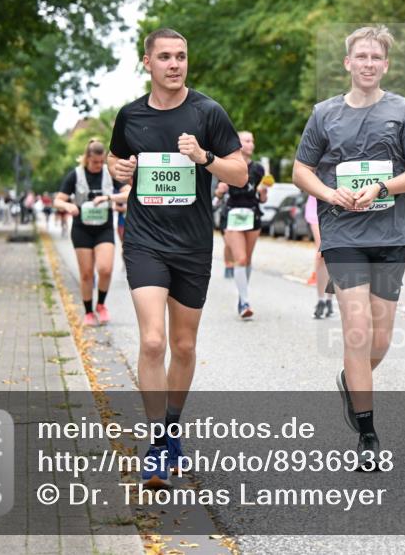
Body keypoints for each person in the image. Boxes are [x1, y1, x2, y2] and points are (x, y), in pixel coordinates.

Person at [107, 28, 246, 487]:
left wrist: (204, 156)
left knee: (183, 346)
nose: (174, 64)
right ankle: (155, 445)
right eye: (164, 56)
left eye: (181, 56)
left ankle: (171, 429)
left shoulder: (207, 112)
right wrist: (118, 168)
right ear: (147, 62)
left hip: (192, 245)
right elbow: (115, 159)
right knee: (152, 341)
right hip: (145, 240)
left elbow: (240, 173)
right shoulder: (130, 116)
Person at [293, 25, 405, 465]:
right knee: (356, 329)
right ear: (348, 63)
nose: (369, 64)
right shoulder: (325, 114)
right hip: (343, 234)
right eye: (362, 57)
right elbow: (301, 170)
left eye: (376, 58)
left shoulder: (404, 111)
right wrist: (328, 194)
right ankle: (368, 436)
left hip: (390, 234)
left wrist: (382, 187)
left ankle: (350, 382)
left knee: (381, 337)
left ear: (385, 65)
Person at [53, 139, 129, 327]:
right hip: (81, 229)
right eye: (95, 162)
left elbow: (129, 192)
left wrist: (109, 197)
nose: (98, 165)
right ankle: (88, 312)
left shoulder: (108, 174)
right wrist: (68, 205)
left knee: (105, 269)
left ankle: (101, 305)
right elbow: (57, 201)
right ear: (87, 158)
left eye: (101, 161)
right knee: (86, 273)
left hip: (103, 228)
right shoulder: (75, 175)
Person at [214, 130, 267, 319]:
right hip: (233, 215)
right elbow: (217, 196)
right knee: (241, 259)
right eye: (246, 140)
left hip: (253, 215)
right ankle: (244, 302)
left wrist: (263, 192)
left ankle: (242, 295)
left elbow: (261, 199)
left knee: (248, 260)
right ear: (238, 143)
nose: (250, 144)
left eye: (252, 140)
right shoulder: (226, 166)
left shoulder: (258, 169)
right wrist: (220, 192)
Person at [306, 194, 334, 318]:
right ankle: (321, 300)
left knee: (334, 253)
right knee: (322, 252)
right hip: (317, 204)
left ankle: (329, 298)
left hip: (340, 206)